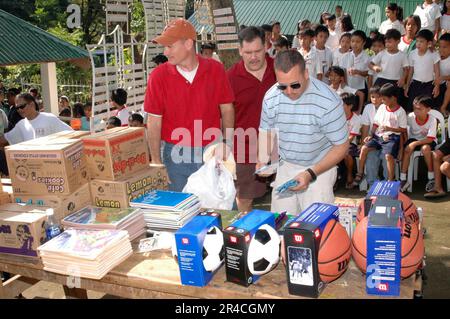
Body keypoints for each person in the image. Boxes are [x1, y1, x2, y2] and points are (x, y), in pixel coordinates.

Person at [144, 18, 234, 192]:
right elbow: (153, 121)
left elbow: (227, 108)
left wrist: (227, 143)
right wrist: (156, 161)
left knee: (220, 207)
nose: (165, 51)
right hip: (175, 156)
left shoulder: (215, 69)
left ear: (188, 44)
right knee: (181, 211)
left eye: (170, 46)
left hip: (212, 150)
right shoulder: (158, 76)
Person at [257, 50, 349, 215]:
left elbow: (341, 147)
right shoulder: (271, 97)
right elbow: (267, 133)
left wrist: (310, 173)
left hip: (320, 169)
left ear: (306, 73)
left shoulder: (329, 101)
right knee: (281, 223)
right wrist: (263, 159)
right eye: (282, 86)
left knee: (316, 227)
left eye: (295, 85)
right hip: (286, 166)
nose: (289, 91)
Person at [227, 26, 276, 214]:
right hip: (245, 147)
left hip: (282, 144)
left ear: (266, 46)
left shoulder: (280, 69)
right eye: (248, 53)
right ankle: (245, 237)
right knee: (245, 198)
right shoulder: (230, 77)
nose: (253, 57)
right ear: (240, 51)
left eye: (257, 51)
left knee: (286, 195)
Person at [354, 83, 407, 184]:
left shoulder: (401, 112)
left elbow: (403, 130)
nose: (382, 101)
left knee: (387, 156)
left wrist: (389, 128)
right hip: (378, 137)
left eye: (384, 99)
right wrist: (370, 135)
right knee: (365, 148)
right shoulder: (383, 108)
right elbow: (376, 123)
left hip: (392, 138)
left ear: (393, 98)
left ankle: (390, 180)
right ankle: (360, 173)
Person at [0, 93, 72, 147]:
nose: (19, 110)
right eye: (17, 108)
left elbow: (71, 134)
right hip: (33, 165)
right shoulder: (21, 125)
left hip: (52, 163)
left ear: (32, 104)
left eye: (22, 106)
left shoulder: (49, 118)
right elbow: (4, 139)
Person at [400, 95, 437, 192]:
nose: (416, 111)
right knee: (407, 149)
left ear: (428, 109)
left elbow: (430, 139)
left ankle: (431, 177)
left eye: (419, 109)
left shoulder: (432, 119)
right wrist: (405, 141)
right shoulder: (410, 117)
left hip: (427, 141)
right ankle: (403, 179)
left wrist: (415, 144)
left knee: (426, 149)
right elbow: (403, 129)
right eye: (414, 108)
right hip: (413, 139)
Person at [369, 29, 409, 109]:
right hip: (381, 81)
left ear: (398, 41)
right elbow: (370, 64)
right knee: (379, 102)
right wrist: (374, 67)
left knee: (395, 103)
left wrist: (403, 79)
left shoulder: (402, 55)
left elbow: (406, 69)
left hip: (395, 83)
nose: (387, 44)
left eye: (390, 42)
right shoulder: (382, 53)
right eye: (386, 42)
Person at [405, 29, 441, 113]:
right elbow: (411, 71)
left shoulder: (434, 54)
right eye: (417, 41)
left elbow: (437, 71)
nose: (418, 43)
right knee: (412, 106)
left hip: (429, 85)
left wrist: (437, 86)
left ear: (429, 43)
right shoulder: (412, 54)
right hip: (415, 84)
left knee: (427, 108)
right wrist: (407, 86)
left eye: (421, 41)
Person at [361, 86, 388, 188]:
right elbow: (365, 127)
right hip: (373, 140)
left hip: (387, 140)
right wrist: (364, 144)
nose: (375, 99)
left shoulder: (387, 107)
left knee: (386, 157)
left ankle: (387, 184)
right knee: (371, 156)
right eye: (372, 97)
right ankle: (373, 185)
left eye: (378, 97)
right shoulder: (368, 108)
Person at [339, 30, 370, 105]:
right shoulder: (346, 56)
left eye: (358, 41)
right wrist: (345, 85)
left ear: (364, 43)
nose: (354, 44)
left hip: (361, 87)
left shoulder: (367, 57)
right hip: (347, 87)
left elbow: (368, 73)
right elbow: (342, 72)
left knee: (358, 110)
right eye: (352, 41)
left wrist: (358, 72)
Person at [340, 93, 362, 188]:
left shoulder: (356, 119)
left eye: (342, 104)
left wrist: (340, 145)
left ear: (350, 106)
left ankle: (349, 174)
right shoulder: (336, 116)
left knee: (347, 153)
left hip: (350, 143)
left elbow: (351, 138)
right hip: (336, 142)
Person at [436, 32, 450, 115]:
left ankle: (443, 107)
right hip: (433, 84)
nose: (441, 49)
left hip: (444, 85)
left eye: (444, 47)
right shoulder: (435, 56)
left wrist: (443, 78)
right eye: (440, 47)